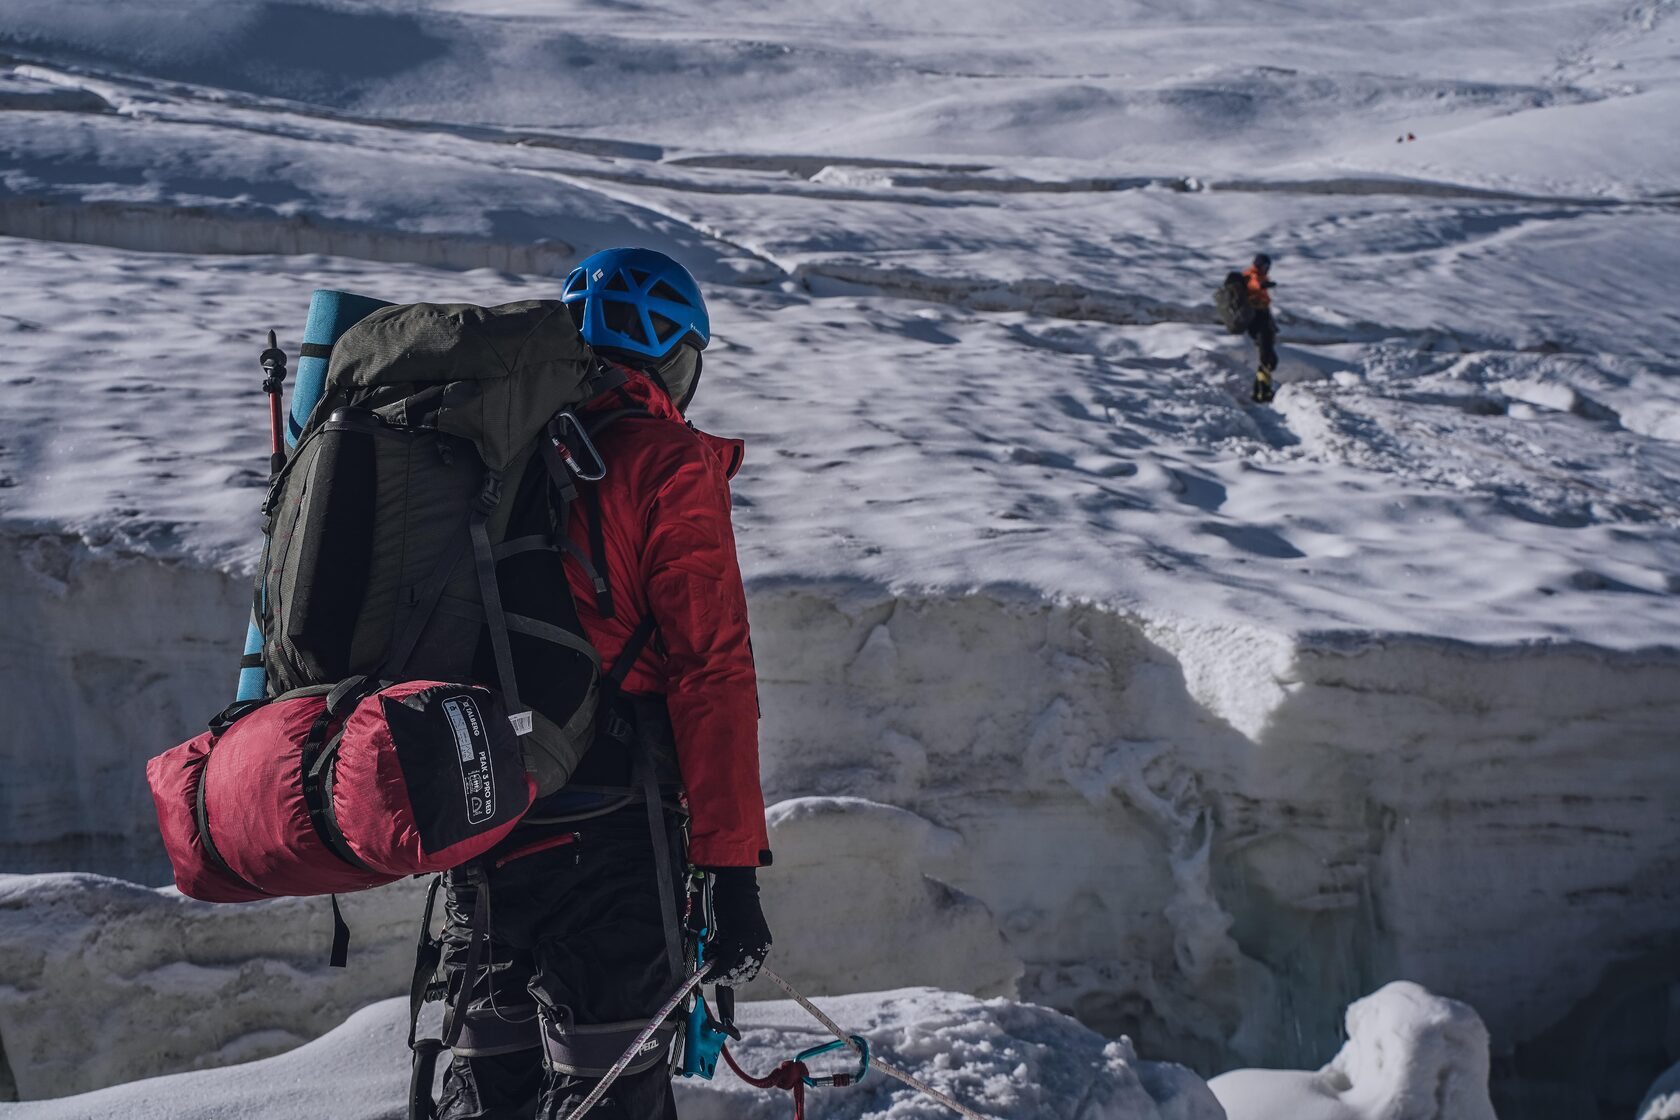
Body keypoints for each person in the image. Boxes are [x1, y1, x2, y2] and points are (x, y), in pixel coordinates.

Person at [435, 247, 773, 1120]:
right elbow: (712, 672)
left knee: (490, 1085)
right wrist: (730, 870)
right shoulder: (665, 461)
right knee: (612, 1089)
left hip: (477, 816)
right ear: (668, 355)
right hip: (610, 828)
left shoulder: (488, 452)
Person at [1244, 253, 1279, 403]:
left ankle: (1262, 390)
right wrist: (1264, 285)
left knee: (1268, 358)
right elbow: (1254, 284)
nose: (1267, 269)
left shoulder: (1259, 276)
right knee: (1267, 358)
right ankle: (1260, 393)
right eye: (1265, 266)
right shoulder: (1252, 275)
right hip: (1257, 319)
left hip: (1262, 317)